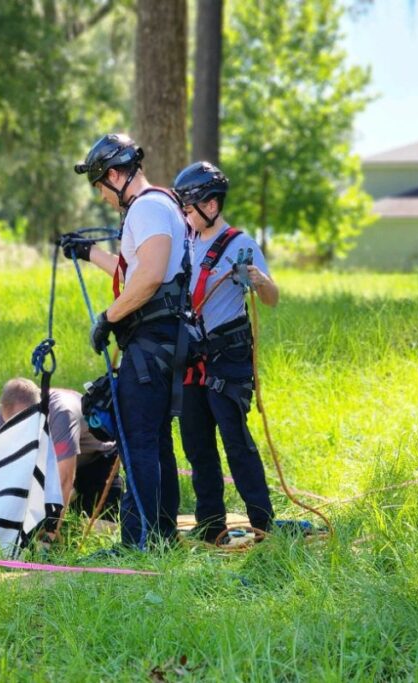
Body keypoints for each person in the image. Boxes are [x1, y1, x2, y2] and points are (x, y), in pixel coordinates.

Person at [64, 133, 189, 548]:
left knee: (137, 442)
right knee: (157, 443)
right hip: (165, 340)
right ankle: (162, 535)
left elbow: (150, 275)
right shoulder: (163, 204)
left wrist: (108, 317)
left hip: (151, 341)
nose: (102, 196)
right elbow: (133, 270)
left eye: (101, 185)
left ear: (117, 175)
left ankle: (138, 542)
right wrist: (88, 253)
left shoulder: (147, 207)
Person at [171, 161, 278, 543]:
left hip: (227, 363)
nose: (184, 213)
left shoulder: (241, 245)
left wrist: (260, 281)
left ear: (211, 205)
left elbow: (271, 299)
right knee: (197, 446)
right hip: (191, 362)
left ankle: (263, 524)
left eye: (188, 206)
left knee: (236, 443)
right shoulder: (183, 242)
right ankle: (211, 525)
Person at [0, 378, 122, 531]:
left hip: (93, 460)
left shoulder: (62, 413)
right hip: (44, 461)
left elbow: (65, 479)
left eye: (22, 424)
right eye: (12, 425)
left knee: (103, 529)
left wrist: (49, 535)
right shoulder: (4, 414)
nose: (17, 429)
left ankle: (72, 499)